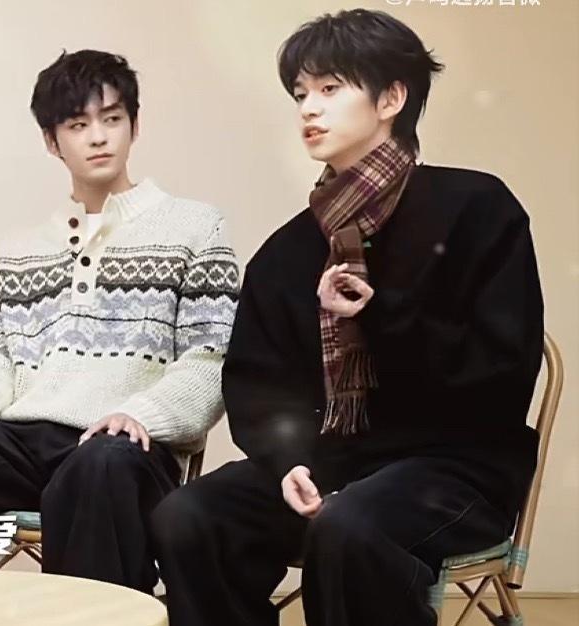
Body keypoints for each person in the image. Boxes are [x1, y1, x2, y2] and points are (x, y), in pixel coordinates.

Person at [152, 9, 544, 626]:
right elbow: (257, 384)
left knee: (352, 523)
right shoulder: (288, 251)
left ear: (391, 98)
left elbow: (501, 373)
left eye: (330, 89)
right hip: (329, 467)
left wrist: (380, 315)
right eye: (300, 94)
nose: (309, 109)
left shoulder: (475, 207)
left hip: (456, 470)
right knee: (190, 515)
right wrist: (288, 463)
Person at [0, 50, 238, 593]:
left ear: (135, 125)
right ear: (52, 142)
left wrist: (140, 413)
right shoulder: (20, 248)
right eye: (78, 125)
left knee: (101, 465)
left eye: (112, 119)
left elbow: (210, 358)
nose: (98, 137)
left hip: (125, 444)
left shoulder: (195, 227)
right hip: (22, 440)